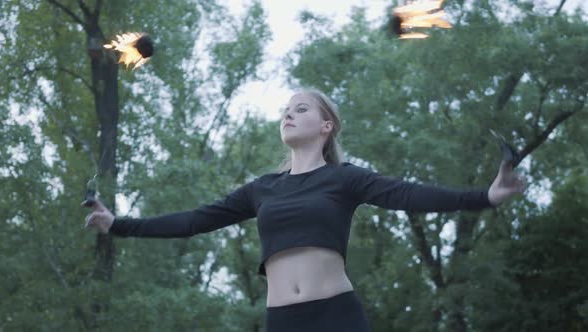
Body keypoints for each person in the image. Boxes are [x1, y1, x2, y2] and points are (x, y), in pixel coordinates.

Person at [84, 88, 527, 332]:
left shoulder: (345, 178)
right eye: (285, 111)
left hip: (337, 316)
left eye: (301, 109)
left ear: (326, 125)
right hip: (283, 321)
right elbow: (194, 221)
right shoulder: (262, 189)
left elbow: (409, 194)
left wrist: (484, 197)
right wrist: (118, 224)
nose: (288, 115)